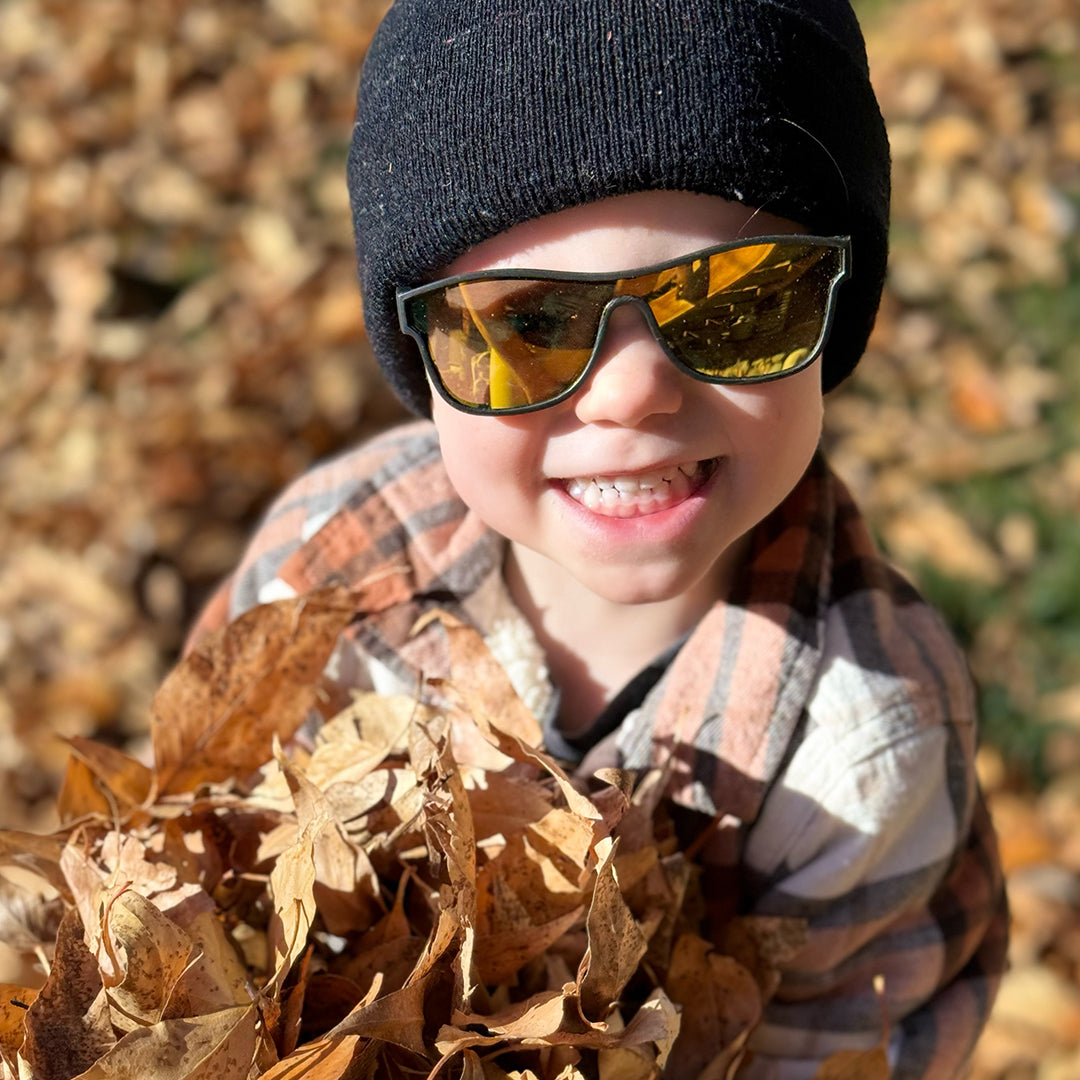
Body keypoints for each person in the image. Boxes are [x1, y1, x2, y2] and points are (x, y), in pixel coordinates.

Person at [187, 1, 1008, 1075]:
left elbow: (844, 1050)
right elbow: (203, 850)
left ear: (830, 317)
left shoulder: (861, 747)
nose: (633, 393)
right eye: (524, 326)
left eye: (737, 303)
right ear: (424, 358)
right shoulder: (326, 566)